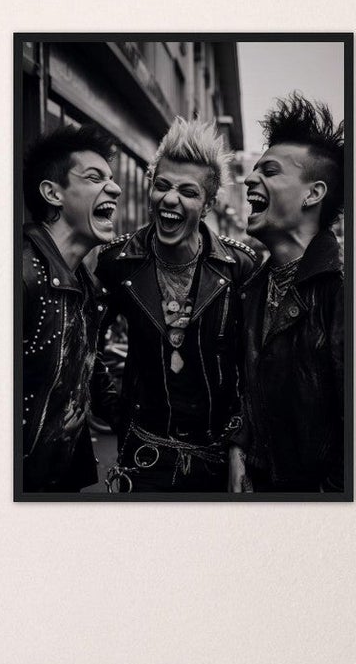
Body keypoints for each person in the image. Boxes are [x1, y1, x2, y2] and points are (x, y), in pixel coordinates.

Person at [96, 118, 257, 493]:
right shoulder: (117, 261)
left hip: (218, 459)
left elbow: (254, 364)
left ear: (209, 204)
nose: (170, 199)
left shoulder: (239, 267)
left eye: (187, 191)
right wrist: (117, 413)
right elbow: (86, 347)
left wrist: (239, 439)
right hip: (143, 458)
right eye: (162, 186)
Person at [239, 93, 347, 494]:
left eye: (269, 171)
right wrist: (240, 448)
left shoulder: (342, 289)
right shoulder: (251, 288)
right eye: (253, 171)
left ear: (313, 193)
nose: (250, 180)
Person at [17, 122, 120, 493]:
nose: (116, 188)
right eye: (95, 178)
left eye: (111, 178)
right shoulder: (20, 272)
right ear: (52, 193)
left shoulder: (85, 285)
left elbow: (89, 367)